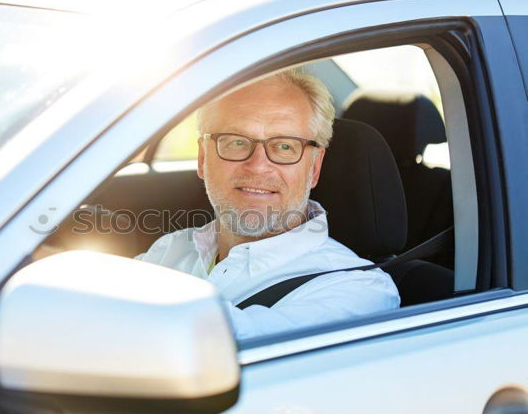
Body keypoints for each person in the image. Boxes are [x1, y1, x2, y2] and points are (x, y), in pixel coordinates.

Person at [135, 68, 400, 341]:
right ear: (203, 158)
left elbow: (224, 347)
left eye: (285, 147)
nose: (258, 166)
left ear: (315, 167)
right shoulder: (172, 248)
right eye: (236, 142)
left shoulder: (359, 290)